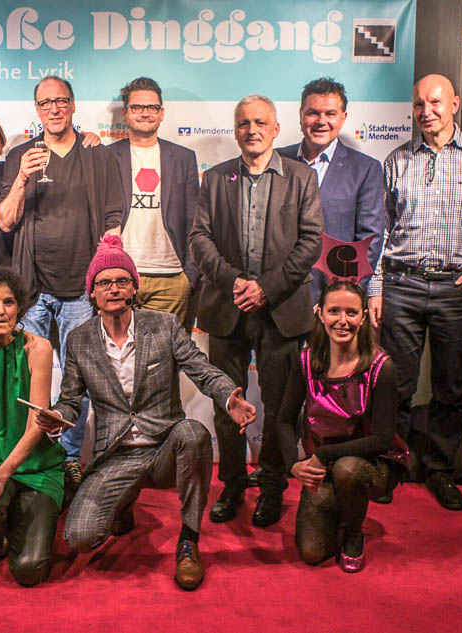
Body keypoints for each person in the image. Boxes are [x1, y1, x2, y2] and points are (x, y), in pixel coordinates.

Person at [36, 235, 256, 590]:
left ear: (134, 287)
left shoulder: (163, 325)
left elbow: (200, 369)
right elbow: (71, 400)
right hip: (116, 455)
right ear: (92, 292)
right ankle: (123, 505)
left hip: (163, 448)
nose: (114, 288)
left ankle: (188, 541)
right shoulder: (79, 339)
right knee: (79, 537)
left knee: (193, 433)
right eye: (104, 282)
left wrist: (229, 397)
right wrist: (58, 418)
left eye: (122, 280)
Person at [367, 74, 462, 510]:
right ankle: (391, 467)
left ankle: (440, 470)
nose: (426, 111)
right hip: (402, 286)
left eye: (435, 102)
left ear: (455, 104)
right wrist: (376, 287)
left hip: (456, 290)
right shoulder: (397, 160)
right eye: (419, 103)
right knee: (394, 385)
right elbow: (380, 231)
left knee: (450, 388)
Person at [190, 94, 323, 528]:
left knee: (280, 406)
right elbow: (200, 239)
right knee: (227, 403)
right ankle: (231, 484)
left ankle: (272, 486)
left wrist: (265, 288)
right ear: (235, 130)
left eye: (260, 122)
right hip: (226, 307)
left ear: (276, 128)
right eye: (244, 123)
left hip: (281, 309)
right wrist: (234, 282)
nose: (252, 130)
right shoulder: (215, 178)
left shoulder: (301, 178)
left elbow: (311, 241)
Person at [0, 77, 124, 493]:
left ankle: (68, 458)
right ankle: (24, 454)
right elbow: (6, 221)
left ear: (72, 105)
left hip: (80, 289)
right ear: (36, 109)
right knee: (23, 378)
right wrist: (21, 178)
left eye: (61, 101)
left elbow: (114, 217)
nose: (53, 108)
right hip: (31, 288)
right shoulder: (21, 155)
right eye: (45, 102)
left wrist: (104, 270)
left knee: (76, 380)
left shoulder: (97, 154)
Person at [274, 281, 408, 572]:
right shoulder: (305, 361)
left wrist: (324, 454)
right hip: (325, 467)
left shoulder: (381, 367)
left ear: (363, 317)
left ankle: (353, 531)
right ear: (319, 313)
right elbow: (283, 420)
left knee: (348, 469)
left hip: (371, 463)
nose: (342, 320)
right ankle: (339, 506)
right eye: (334, 311)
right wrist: (293, 464)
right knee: (311, 553)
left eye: (351, 312)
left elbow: (382, 439)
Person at [0, 267, 64, 586]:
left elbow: (36, 425)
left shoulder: (38, 348)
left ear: (20, 307)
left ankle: (39, 501)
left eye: (8, 302)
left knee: (29, 571)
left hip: (36, 467)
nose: (0, 311)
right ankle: (0, 524)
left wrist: (2, 477)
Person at [277, 77, 385, 300]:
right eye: (313, 113)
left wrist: (343, 294)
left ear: (343, 118)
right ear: (300, 115)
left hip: (333, 298)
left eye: (330, 114)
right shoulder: (276, 161)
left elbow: (369, 241)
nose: (321, 121)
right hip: (279, 294)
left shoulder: (365, 169)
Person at [108, 77, 199, 324]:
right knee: (117, 348)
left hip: (171, 279)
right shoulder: (106, 156)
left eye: (152, 107)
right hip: (119, 276)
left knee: (166, 349)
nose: (145, 113)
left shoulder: (183, 158)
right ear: (125, 113)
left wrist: (189, 276)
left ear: (161, 113)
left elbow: (194, 221)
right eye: (137, 107)